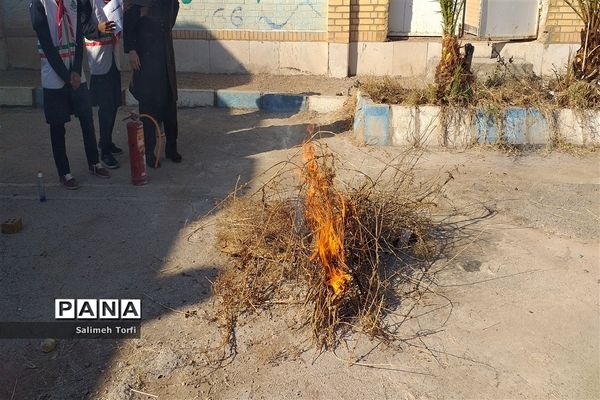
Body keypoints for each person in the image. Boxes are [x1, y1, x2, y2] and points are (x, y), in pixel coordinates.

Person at [31, 0, 110, 190]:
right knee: (58, 127)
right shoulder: (39, 4)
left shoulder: (72, 2)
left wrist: (76, 70)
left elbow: (78, 38)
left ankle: (94, 162)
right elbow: (47, 45)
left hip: (75, 73)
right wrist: (67, 76)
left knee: (86, 119)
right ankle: (64, 172)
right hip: (54, 76)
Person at [123, 0, 181, 168]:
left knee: (169, 105)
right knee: (149, 107)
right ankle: (148, 153)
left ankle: (171, 148)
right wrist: (131, 50)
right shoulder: (135, 4)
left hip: (165, 55)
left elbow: (173, 11)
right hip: (146, 56)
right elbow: (129, 20)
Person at [81, 0, 123, 169]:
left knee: (114, 104)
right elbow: (82, 27)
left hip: (114, 58)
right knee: (105, 107)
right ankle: (104, 150)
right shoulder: (86, 2)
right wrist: (98, 29)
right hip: (99, 61)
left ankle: (106, 141)